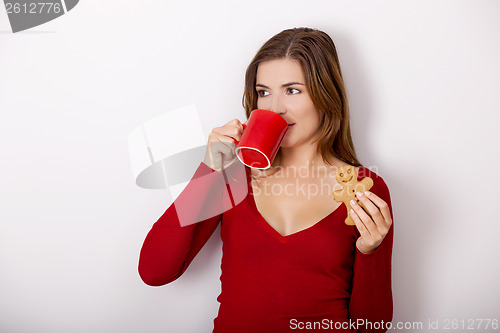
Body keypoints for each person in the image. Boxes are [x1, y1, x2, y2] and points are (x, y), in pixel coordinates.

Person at [138, 27, 394, 333]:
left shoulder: (364, 189)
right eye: (263, 92)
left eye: (293, 90)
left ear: (326, 95)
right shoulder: (233, 177)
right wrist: (208, 170)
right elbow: (154, 271)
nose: (275, 108)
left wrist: (370, 250)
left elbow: (373, 326)